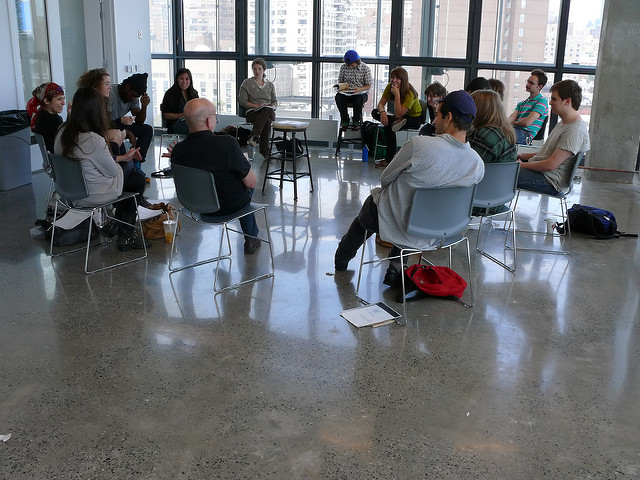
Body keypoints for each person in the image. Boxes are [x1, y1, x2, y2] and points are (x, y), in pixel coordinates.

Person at [335, 90, 484, 285]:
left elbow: (385, 178)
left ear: (448, 117)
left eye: (438, 115)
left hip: (398, 221)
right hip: (440, 230)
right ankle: (396, 268)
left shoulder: (419, 146)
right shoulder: (477, 163)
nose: (435, 120)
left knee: (374, 206)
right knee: (411, 207)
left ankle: (342, 257)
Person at [54, 87, 149, 251]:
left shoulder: (62, 132)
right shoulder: (92, 139)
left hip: (68, 192)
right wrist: (127, 159)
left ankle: (118, 227)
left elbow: (89, 161)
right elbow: (112, 172)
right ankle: (125, 233)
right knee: (137, 178)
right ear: (96, 112)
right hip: (91, 194)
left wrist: (124, 158)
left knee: (131, 171)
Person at [170, 98, 262, 254]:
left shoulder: (177, 150)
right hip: (229, 207)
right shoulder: (227, 143)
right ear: (208, 121)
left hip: (195, 207)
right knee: (245, 183)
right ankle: (251, 237)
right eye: (214, 115)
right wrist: (243, 164)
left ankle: (251, 237)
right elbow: (251, 183)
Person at [517, 79, 590, 195]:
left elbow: (551, 165)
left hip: (549, 181)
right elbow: (548, 154)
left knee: (503, 173)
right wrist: (521, 155)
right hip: (544, 174)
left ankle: (490, 207)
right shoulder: (564, 123)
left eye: (554, 99)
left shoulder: (574, 131)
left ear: (567, 101)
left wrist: (522, 165)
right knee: (504, 168)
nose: (550, 103)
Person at [371, 67, 422, 168]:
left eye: (397, 78)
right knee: (375, 112)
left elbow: (399, 114)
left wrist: (397, 95)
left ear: (403, 80)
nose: (394, 80)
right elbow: (380, 104)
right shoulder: (390, 87)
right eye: (392, 77)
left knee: (389, 126)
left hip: (414, 118)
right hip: (399, 116)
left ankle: (389, 160)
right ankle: (395, 123)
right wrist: (383, 112)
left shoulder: (409, 93)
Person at [77, 68, 130, 157]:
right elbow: (96, 125)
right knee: (116, 133)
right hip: (86, 137)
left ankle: (121, 162)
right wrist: (119, 121)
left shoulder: (102, 100)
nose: (110, 87)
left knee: (122, 131)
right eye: (106, 84)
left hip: (93, 134)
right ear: (96, 86)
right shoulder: (89, 102)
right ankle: (117, 164)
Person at [109, 72, 154, 174]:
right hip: (109, 127)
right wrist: (128, 132)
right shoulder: (111, 94)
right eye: (133, 95)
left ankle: (137, 163)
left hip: (120, 125)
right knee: (122, 153)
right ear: (127, 87)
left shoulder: (133, 98)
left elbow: (139, 121)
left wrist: (144, 106)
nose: (133, 98)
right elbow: (104, 122)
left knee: (147, 129)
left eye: (136, 97)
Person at [238, 58, 278, 159]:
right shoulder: (246, 83)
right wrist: (257, 106)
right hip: (253, 112)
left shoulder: (270, 85)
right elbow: (242, 101)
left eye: (259, 69)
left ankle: (254, 136)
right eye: (255, 69)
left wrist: (272, 106)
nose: (257, 71)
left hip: (268, 110)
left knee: (266, 110)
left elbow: (274, 101)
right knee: (267, 121)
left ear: (264, 70)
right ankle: (265, 152)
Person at [508, 68, 549, 145]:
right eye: (527, 81)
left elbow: (527, 123)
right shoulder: (522, 103)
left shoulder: (542, 101)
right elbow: (510, 119)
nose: (527, 84)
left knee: (498, 136)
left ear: (540, 87)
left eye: (531, 83)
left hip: (524, 134)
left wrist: (512, 124)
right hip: (514, 130)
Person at [335, 50, 372, 131]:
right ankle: (345, 119)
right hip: (347, 92)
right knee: (338, 97)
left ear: (357, 61)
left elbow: (368, 86)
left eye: (352, 64)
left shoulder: (365, 68)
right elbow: (340, 81)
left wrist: (360, 89)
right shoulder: (344, 67)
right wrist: (342, 87)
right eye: (348, 64)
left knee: (358, 99)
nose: (350, 66)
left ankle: (356, 121)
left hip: (360, 93)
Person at [28, 82, 65, 152]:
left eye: (63, 98)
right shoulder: (53, 120)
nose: (63, 103)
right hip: (61, 159)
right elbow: (67, 140)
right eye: (59, 99)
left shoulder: (39, 115)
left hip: (53, 159)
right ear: (46, 101)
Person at [160, 68, 199, 134]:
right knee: (195, 129)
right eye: (181, 79)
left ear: (190, 80)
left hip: (190, 122)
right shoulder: (170, 94)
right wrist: (184, 115)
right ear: (177, 79)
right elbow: (166, 115)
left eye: (187, 79)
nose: (184, 82)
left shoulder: (194, 93)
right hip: (175, 124)